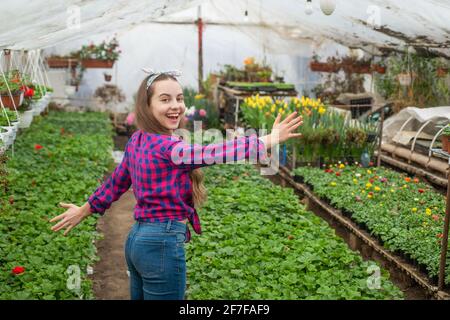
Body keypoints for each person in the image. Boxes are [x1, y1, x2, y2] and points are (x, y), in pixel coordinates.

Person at [50, 70, 303, 300]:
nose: (176, 106)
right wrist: (268, 139)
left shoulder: (138, 140)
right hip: (161, 243)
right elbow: (214, 152)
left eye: (179, 98)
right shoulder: (170, 149)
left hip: (137, 242)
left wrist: (85, 209)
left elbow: (116, 183)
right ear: (147, 106)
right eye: (165, 99)